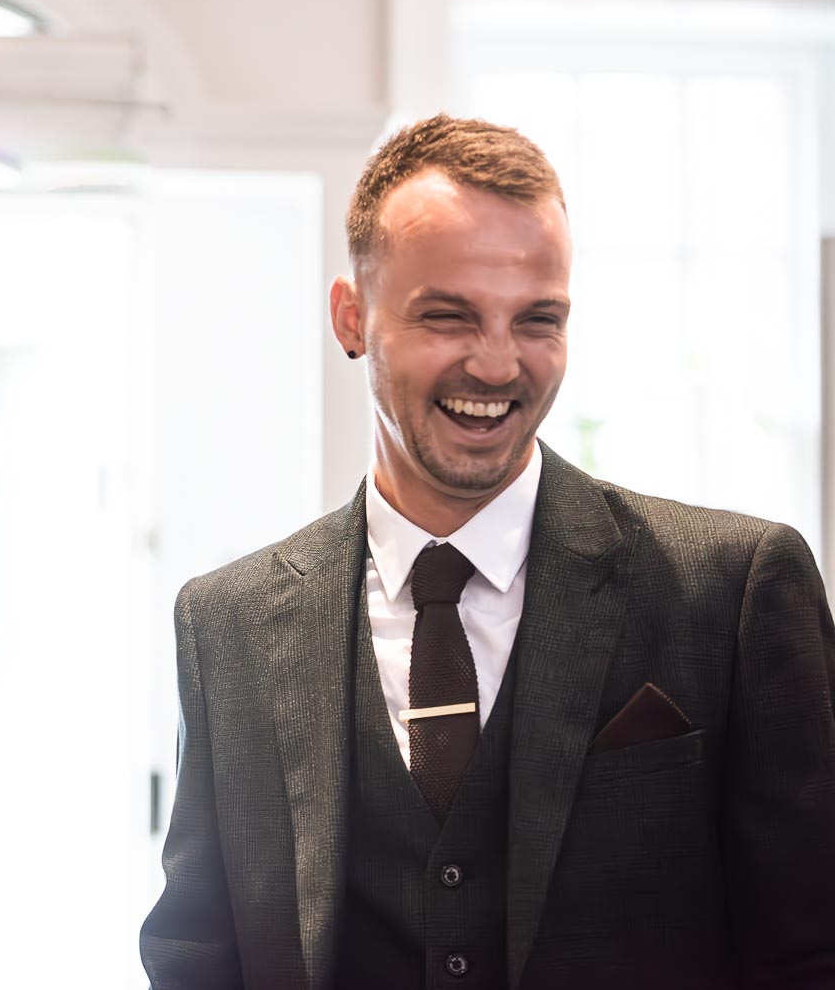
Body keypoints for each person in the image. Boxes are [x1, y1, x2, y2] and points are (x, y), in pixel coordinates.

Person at [140, 114, 835, 988]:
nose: (500, 366)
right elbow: (198, 954)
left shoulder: (734, 590)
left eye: (537, 319)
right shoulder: (226, 623)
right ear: (351, 317)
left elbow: (810, 950)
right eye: (449, 317)